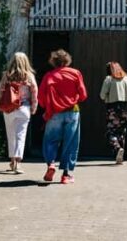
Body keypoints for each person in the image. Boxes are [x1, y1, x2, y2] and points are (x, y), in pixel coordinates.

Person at [37, 49, 87, 184]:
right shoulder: (75, 73)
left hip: (54, 113)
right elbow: (83, 95)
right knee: (71, 143)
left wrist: (46, 106)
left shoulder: (49, 76)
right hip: (73, 111)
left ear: (53, 61)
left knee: (50, 140)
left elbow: (40, 98)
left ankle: (51, 164)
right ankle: (66, 175)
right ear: (68, 61)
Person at [0, 52, 38, 174]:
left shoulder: (6, 75)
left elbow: (0, 90)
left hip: (9, 108)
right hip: (24, 108)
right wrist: (34, 107)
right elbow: (34, 92)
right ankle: (18, 163)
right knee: (21, 135)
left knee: (11, 135)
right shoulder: (29, 76)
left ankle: (12, 160)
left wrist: (0, 105)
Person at [100, 62, 127, 164]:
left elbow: (102, 95)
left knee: (110, 132)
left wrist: (109, 97)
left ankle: (117, 148)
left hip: (112, 108)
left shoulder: (108, 79)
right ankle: (120, 157)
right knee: (121, 132)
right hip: (125, 109)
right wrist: (125, 98)